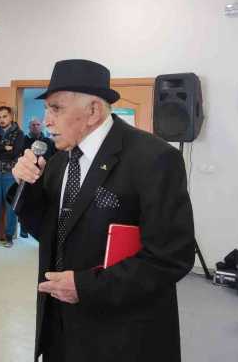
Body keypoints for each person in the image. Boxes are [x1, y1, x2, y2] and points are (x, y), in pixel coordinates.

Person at [10, 59, 195, 362]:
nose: (47, 121)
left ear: (93, 111)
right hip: (59, 325)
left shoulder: (153, 158)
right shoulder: (58, 161)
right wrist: (25, 185)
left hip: (120, 335)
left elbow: (170, 257)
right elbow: (47, 230)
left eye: (56, 108)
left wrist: (85, 287)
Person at [0, 106, 24, 247]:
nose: (2, 119)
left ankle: (8, 236)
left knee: (10, 206)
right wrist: (3, 148)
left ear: (11, 116)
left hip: (10, 174)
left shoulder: (19, 134)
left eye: (5, 116)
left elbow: (15, 153)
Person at [20, 117, 55, 238]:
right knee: (26, 204)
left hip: (45, 178)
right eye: (33, 125)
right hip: (27, 177)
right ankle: (24, 229)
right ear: (29, 127)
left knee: (42, 205)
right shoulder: (24, 140)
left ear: (42, 126)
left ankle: (41, 230)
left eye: (37, 124)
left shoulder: (49, 141)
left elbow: (54, 157)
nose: (35, 126)